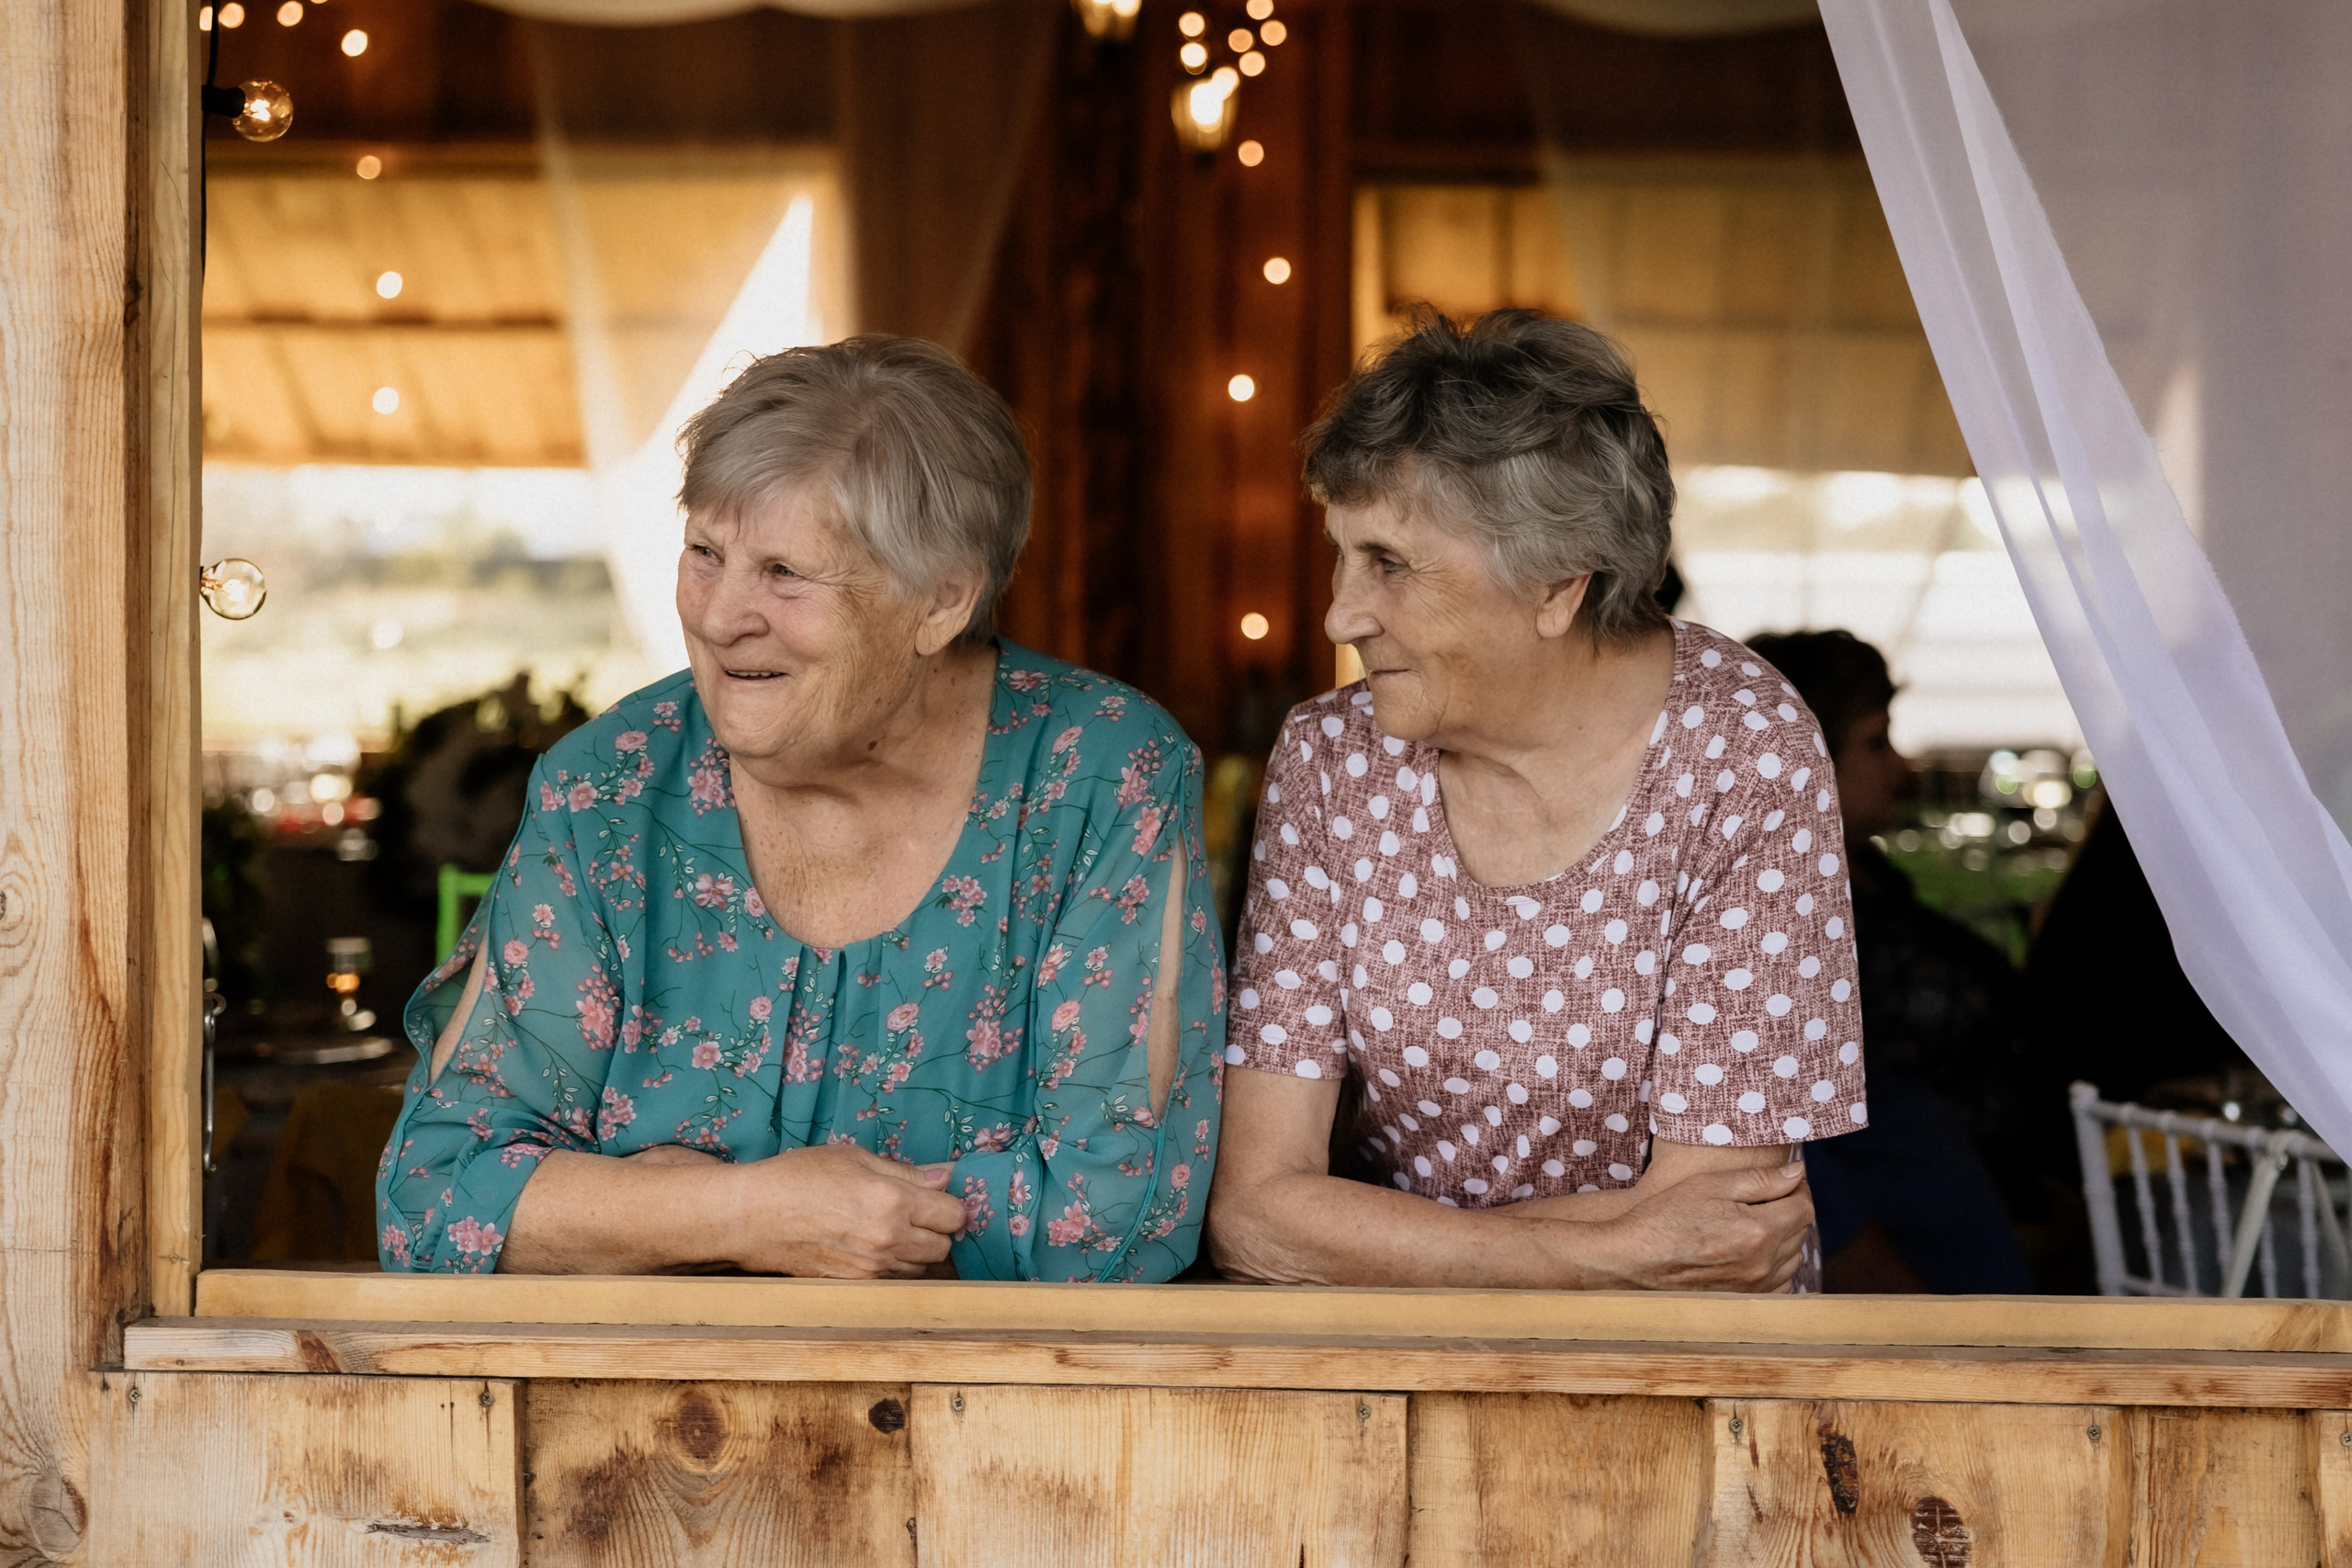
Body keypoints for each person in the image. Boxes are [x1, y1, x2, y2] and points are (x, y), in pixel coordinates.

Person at [376, 336, 1225, 1280]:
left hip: (997, 1381)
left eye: (784, 572)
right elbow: (433, 1200)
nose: (718, 616)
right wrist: (746, 1214)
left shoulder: (1097, 781)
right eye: (706, 553)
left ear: (941, 601)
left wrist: (629, 1210)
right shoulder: (608, 787)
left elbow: (1113, 1220)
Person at [1206, 310, 1865, 1293]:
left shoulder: (1744, 754)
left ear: (1558, 587)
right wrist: (1601, 1252)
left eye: (1390, 563)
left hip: (1677, 1368)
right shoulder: (1331, 758)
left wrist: (1370, 1240)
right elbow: (1254, 1213)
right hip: (1400, 1358)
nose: (1342, 613)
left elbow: (1717, 1246)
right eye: (1342, 554)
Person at [1744, 630, 2032, 1293]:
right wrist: (1907, 1308)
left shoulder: (1870, 886)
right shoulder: (1768, 933)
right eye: (1875, 742)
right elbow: (1793, 1154)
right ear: (1803, 755)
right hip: (1911, 1291)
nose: (1901, 767)